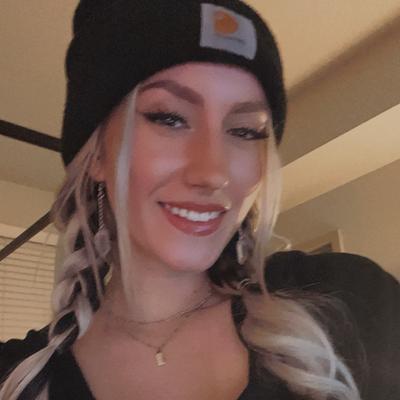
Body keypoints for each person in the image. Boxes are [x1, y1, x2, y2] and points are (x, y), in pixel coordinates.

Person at [0, 1, 399, 399]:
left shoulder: (353, 302)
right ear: (97, 155)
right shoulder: (15, 379)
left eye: (245, 131)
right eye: (169, 118)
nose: (213, 172)